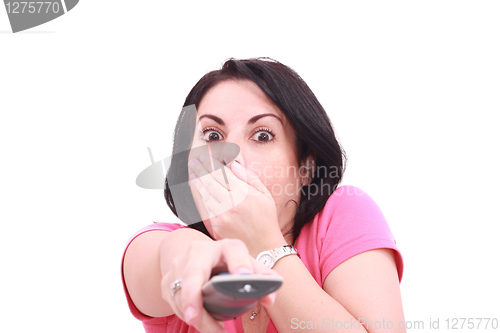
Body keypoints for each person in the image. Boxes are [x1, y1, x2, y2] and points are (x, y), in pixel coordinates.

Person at [121, 58, 405, 333]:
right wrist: (186, 254)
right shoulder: (155, 242)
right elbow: (169, 255)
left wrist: (263, 243)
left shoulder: (345, 213)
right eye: (212, 136)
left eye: (262, 135)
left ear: (305, 167)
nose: (228, 156)